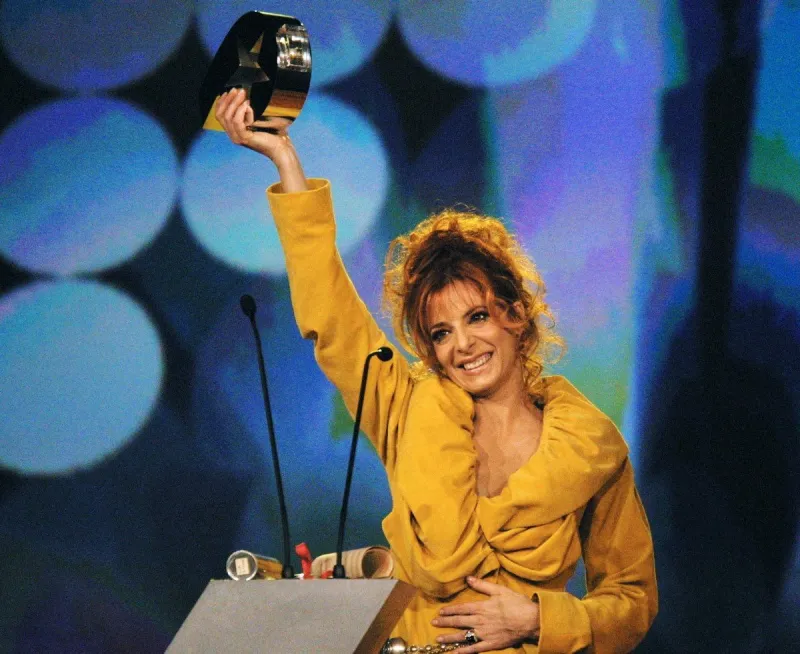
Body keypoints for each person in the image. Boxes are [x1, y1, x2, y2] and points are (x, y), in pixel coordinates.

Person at [215, 88, 658, 653]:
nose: (462, 345)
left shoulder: (593, 447)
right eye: (441, 333)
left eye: (477, 317)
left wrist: (536, 620)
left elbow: (633, 599)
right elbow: (330, 312)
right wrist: (285, 161)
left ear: (516, 315)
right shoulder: (404, 407)